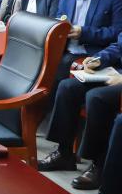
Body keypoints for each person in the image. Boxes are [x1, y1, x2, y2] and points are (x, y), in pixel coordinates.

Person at [38, 30, 122, 179]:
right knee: (67, 87)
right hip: (115, 71)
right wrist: (98, 59)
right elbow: (118, 46)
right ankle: (64, 154)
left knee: (96, 97)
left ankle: (99, 165)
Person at [52, 0, 122, 84]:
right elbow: (59, 18)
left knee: (61, 73)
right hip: (65, 49)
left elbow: (118, 32)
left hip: (94, 52)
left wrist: (83, 33)